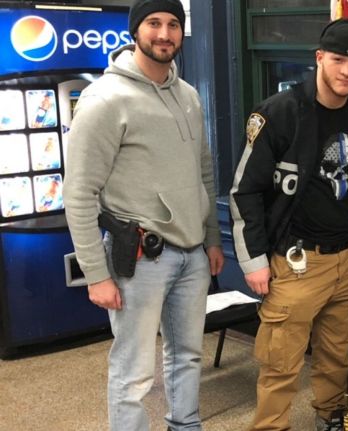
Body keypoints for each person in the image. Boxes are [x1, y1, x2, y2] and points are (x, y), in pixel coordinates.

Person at [229, 18, 348, 431]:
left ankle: (331, 420)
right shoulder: (280, 114)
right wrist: (253, 261)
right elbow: (244, 191)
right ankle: (271, 426)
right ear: (319, 58)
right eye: (338, 60)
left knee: (336, 357)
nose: (347, 71)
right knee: (281, 362)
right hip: (295, 260)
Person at [62, 0, 224, 429]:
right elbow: (78, 193)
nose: (164, 34)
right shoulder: (104, 100)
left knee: (188, 356)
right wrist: (96, 275)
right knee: (134, 373)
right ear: (136, 30)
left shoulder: (188, 95)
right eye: (154, 23)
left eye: (173, 24)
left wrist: (211, 239)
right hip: (140, 259)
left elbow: (202, 173)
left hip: (192, 256)